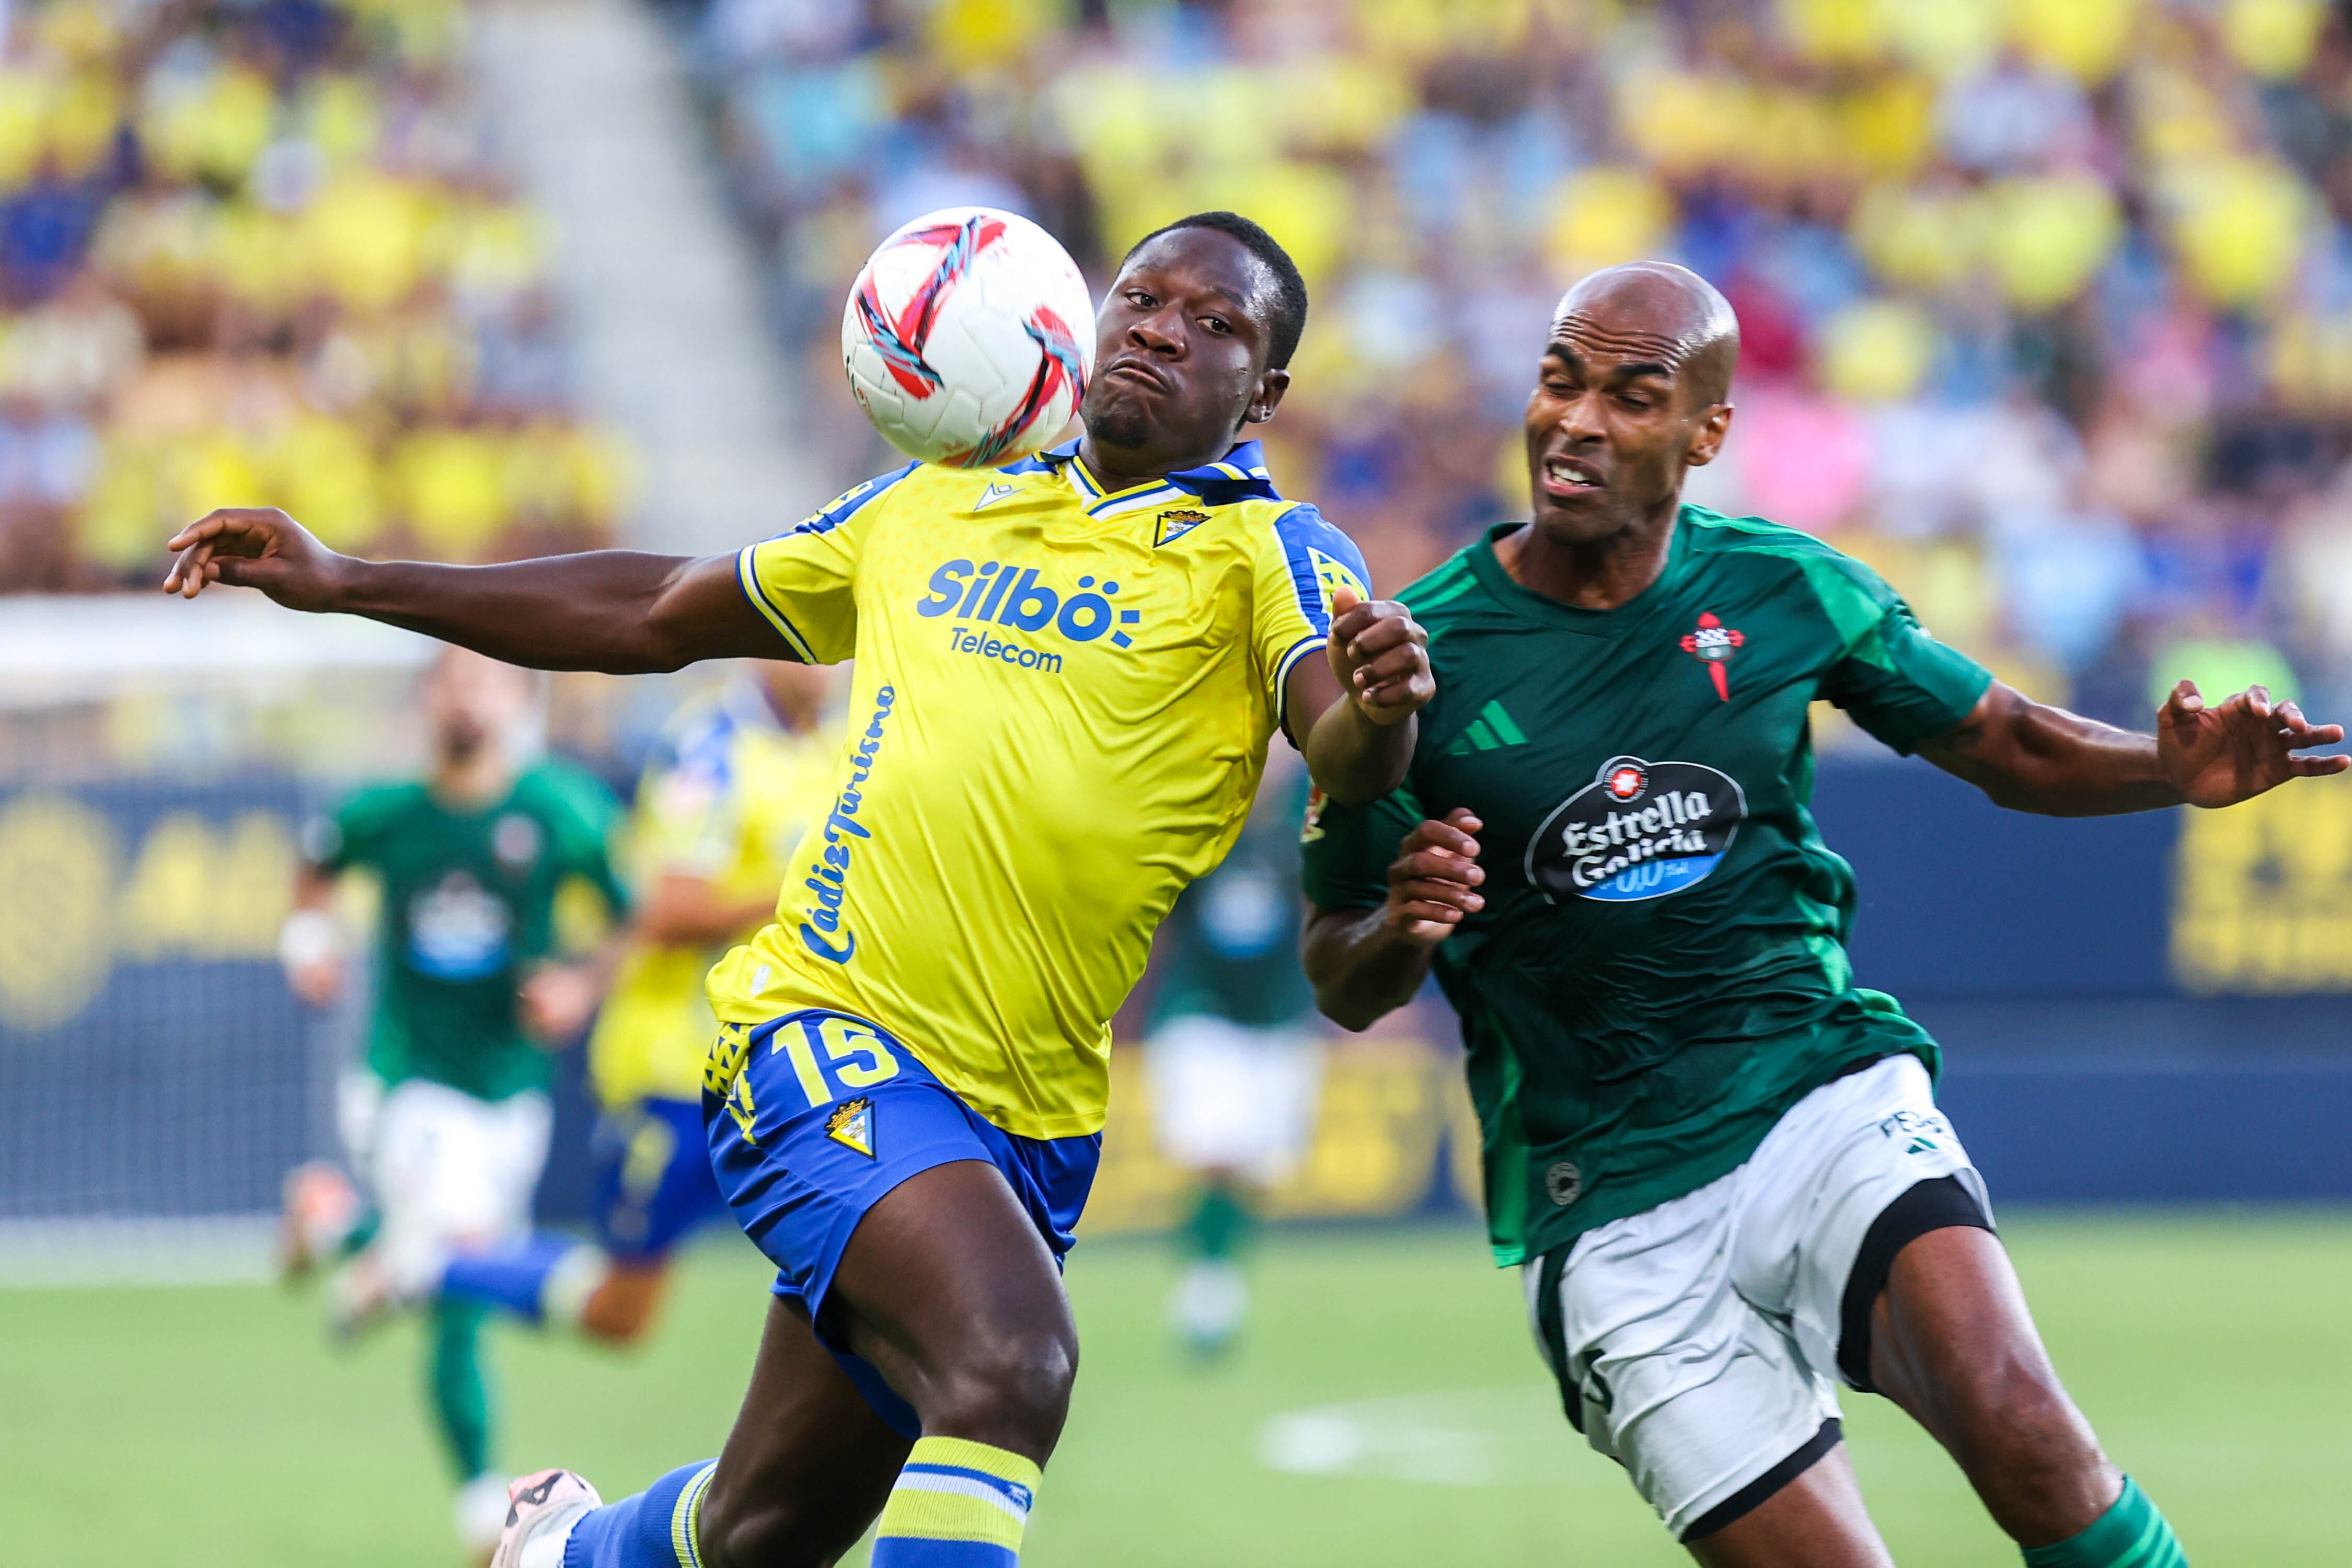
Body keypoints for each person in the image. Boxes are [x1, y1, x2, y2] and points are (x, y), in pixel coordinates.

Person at [164, 210, 1435, 1568]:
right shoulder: (933, 502)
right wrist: (352, 579)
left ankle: (558, 1553)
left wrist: (1378, 706)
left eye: (1216, 322)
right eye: (1141, 297)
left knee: (766, 1529)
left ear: (1266, 391)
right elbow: (652, 612)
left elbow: (1345, 742)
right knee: (1010, 1366)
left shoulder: (1272, 558)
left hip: (1027, 1114)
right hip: (821, 1035)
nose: (1162, 327)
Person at [1298, 261, 2345, 1568]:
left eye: (1628, 395)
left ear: (1705, 432)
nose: (1573, 420)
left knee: (2023, 1426)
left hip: (1814, 1092)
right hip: (1607, 1202)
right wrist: (1400, 923)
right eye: (1557, 380)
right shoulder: (1422, 656)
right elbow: (1337, 967)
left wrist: (2164, 771)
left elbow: (2004, 740)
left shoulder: (1783, 588)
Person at [274, 646, 628, 1561]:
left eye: (488, 678)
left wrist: (584, 987)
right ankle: (483, 1508)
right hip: (409, 1085)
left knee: (456, 1273)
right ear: (429, 697)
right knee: (464, 1274)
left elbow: (632, 915)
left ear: (519, 697)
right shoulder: (389, 814)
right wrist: (307, 939)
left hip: (510, 1096)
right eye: (453, 677)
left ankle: (339, 1230)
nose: (469, 693)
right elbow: (316, 866)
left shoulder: (560, 812)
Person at [425, 662, 844, 1344]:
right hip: (678, 1069)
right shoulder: (709, 747)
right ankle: (430, 1263)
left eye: (841, 642)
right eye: (812, 642)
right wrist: (810, 891)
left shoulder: (847, 740)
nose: (828, 662)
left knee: (857, 1267)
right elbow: (667, 904)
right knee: (622, 1315)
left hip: (793, 1070)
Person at [1142, 744, 1322, 1356]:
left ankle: (1221, 1275)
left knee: (1256, 1167)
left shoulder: (1314, 807)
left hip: (1277, 1013)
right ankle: (1206, 1288)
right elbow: (1157, 906)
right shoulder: (1198, 799)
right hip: (1201, 1008)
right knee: (1214, 1150)